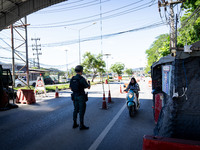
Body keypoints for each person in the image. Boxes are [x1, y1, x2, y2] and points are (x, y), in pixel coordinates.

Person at [70, 65, 91, 130]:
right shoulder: (82, 79)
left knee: (75, 110)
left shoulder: (72, 78)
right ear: (81, 71)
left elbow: (70, 88)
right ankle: (81, 125)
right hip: (81, 97)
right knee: (81, 110)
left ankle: (74, 123)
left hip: (74, 96)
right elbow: (88, 87)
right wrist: (89, 83)